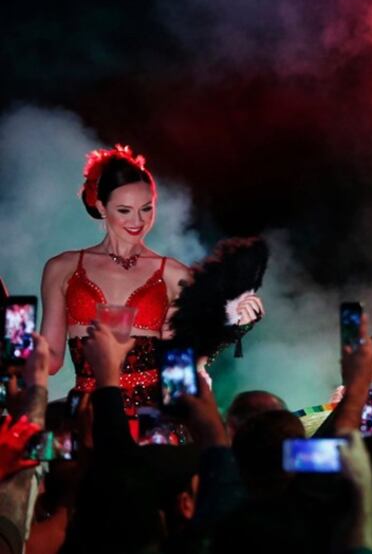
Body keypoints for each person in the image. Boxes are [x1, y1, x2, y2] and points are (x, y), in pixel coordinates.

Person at [38, 145, 263, 416]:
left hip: (153, 421)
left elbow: (180, 367)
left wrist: (230, 326)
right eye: (124, 210)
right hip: (89, 418)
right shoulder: (63, 268)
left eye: (146, 209)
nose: (138, 221)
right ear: (101, 207)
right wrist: (12, 351)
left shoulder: (174, 275)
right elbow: (50, 360)